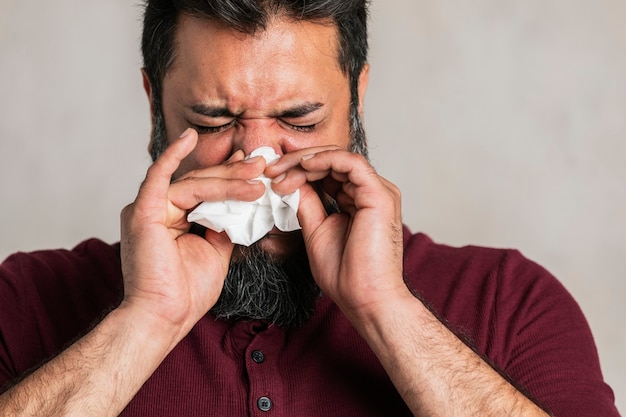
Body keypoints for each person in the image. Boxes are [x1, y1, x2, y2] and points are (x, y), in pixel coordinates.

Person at [0, 0, 620, 416]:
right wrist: (146, 322)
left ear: (357, 98)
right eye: (213, 119)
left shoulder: (508, 303)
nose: (258, 161)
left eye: (300, 119)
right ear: (153, 104)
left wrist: (386, 311)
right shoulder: (24, 300)